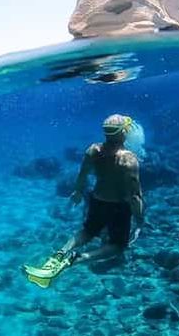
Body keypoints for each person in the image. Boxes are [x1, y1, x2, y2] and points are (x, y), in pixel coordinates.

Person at [54, 114, 145, 266]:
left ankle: (62, 251)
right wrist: (139, 219)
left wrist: (77, 193)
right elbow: (135, 195)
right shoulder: (129, 159)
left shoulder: (93, 150)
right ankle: (80, 258)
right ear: (124, 133)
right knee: (118, 246)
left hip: (97, 200)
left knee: (87, 231)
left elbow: (82, 175)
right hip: (118, 206)